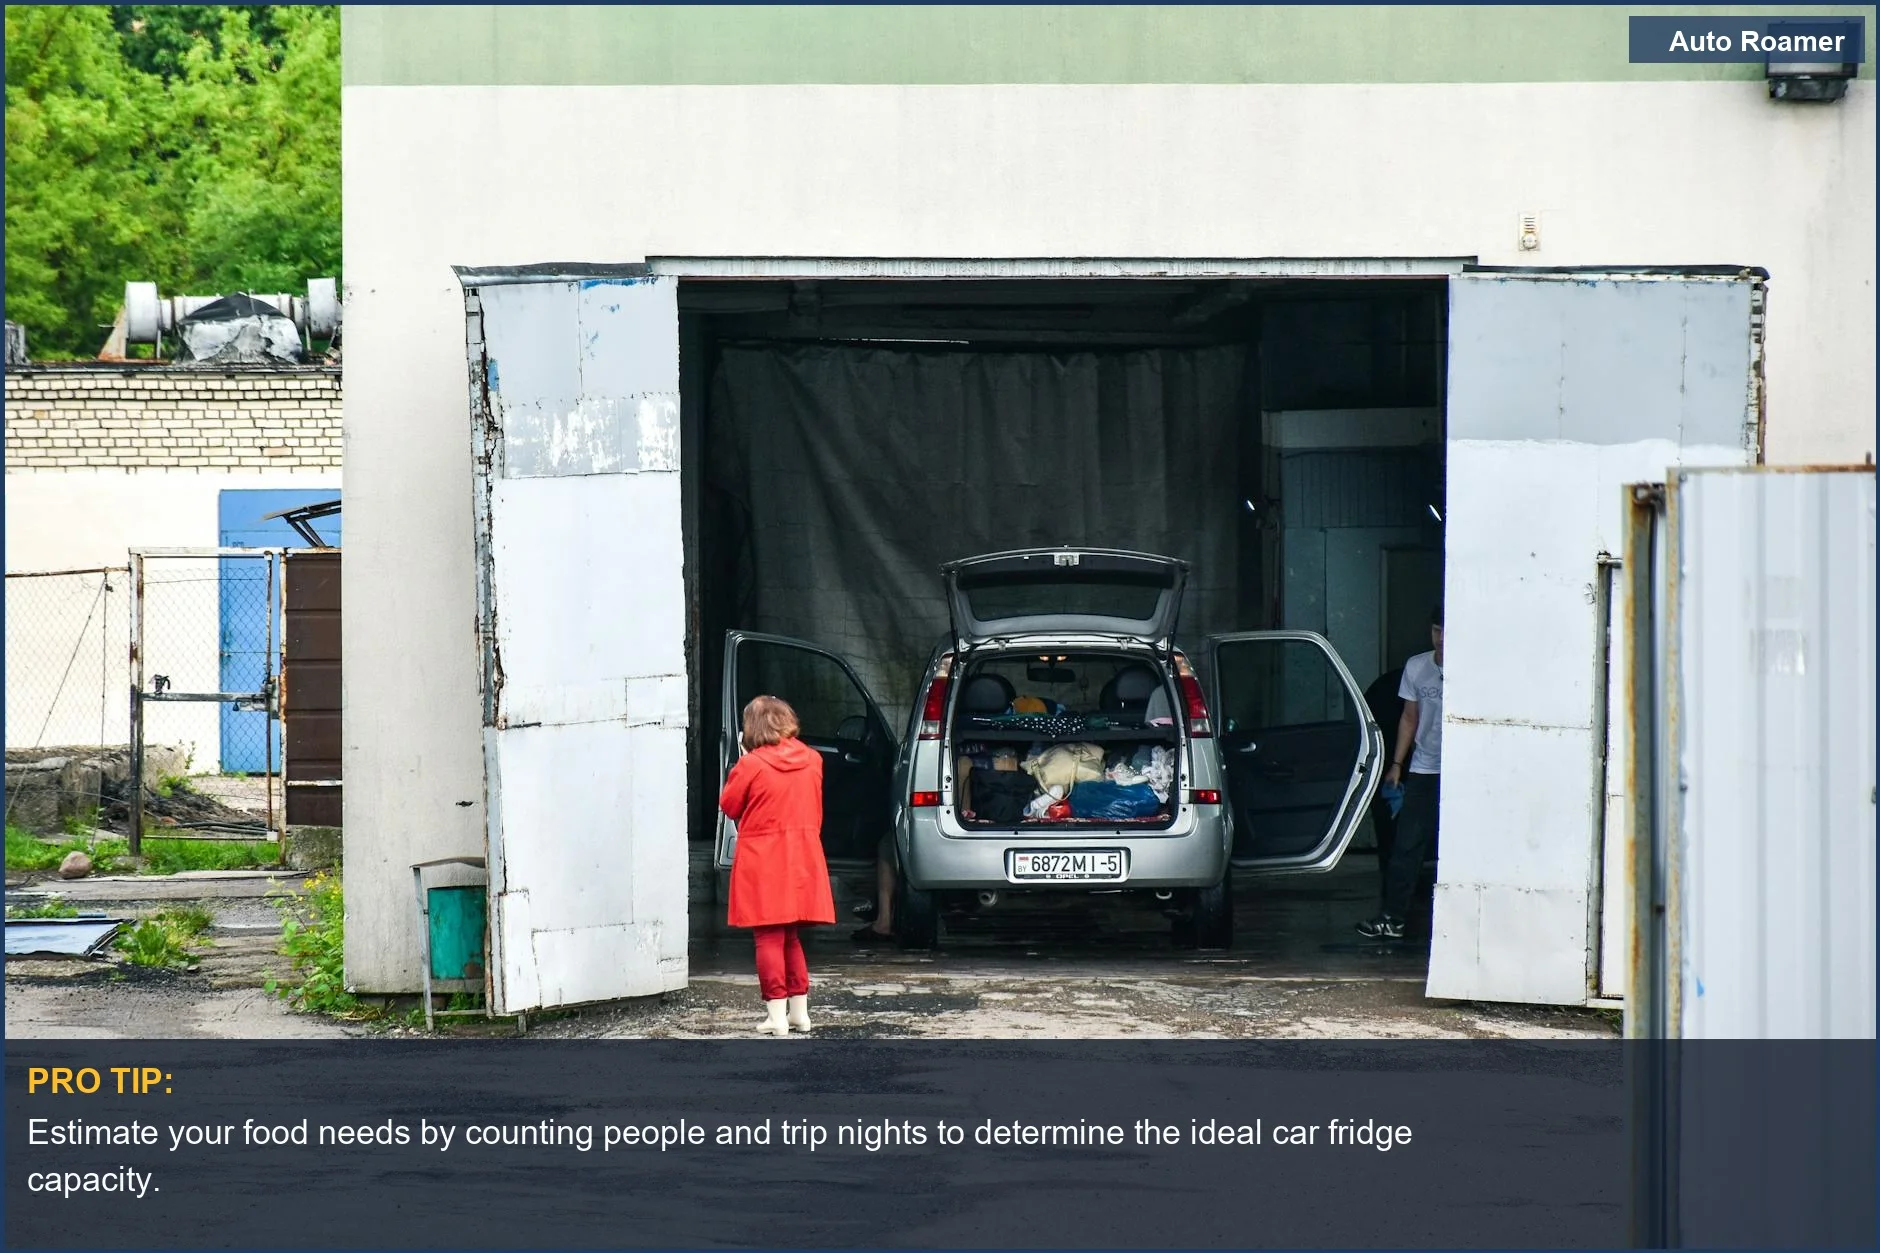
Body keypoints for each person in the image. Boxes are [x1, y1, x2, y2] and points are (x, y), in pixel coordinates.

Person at [718, 695, 836, 1035]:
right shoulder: (813, 759)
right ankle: (800, 1014)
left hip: (764, 859)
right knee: (791, 938)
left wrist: (741, 760)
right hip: (803, 856)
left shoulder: (752, 764)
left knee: (767, 937)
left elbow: (729, 804)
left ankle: (777, 1017)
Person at [1358, 605, 1443, 942]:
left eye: (1448, 633)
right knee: (1406, 844)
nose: (1441, 639)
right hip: (1424, 768)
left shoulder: (1474, 669)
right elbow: (1409, 718)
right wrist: (1396, 765)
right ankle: (1392, 918)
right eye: (1437, 630)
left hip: (1463, 773)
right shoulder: (1417, 667)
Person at [1361, 665, 1405, 906]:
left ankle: (1391, 890)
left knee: (1389, 834)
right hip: (1405, 767)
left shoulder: (1386, 685)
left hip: (1387, 767)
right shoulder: (1394, 685)